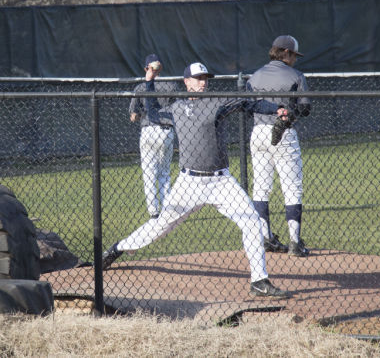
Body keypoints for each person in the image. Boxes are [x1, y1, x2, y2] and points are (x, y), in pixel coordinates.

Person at [103, 62, 293, 298]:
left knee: (252, 222)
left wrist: (277, 109)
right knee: (159, 227)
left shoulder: (217, 103)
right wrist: (149, 81)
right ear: (187, 82)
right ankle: (118, 248)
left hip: (221, 182)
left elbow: (248, 103)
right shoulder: (177, 108)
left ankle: (259, 280)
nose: (203, 82)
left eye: (205, 78)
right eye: (198, 78)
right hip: (188, 183)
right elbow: (152, 113)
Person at [247, 35, 311, 257]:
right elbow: (305, 108)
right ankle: (295, 242)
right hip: (284, 132)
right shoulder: (296, 76)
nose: (295, 59)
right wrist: (289, 113)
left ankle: (266, 238)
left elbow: (248, 106)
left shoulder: (254, 76)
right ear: (285, 53)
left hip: (258, 133)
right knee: (292, 187)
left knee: (261, 187)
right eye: (293, 54)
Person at [129, 54, 178, 218]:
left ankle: (153, 212)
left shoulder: (140, 88)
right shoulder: (171, 85)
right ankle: (167, 209)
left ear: (146, 69)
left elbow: (133, 116)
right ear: (160, 67)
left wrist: (141, 113)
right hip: (166, 131)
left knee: (149, 173)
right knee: (164, 172)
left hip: (148, 131)